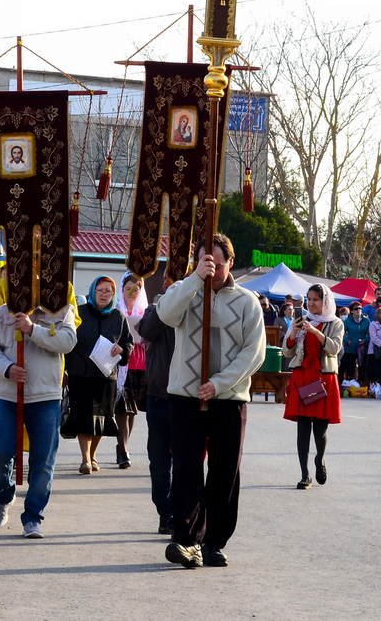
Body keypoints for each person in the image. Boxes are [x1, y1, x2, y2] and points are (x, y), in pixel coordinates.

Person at [159, 233, 264, 569]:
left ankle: (214, 541)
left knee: (224, 471)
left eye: (219, 265)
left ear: (230, 263)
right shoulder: (186, 291)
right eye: (207, 264)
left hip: (228, 398)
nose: (214, 271)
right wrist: (194, 278)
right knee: (187, 467)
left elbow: (254, 352)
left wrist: (219, 384)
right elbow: (165, 314)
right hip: (185, 395)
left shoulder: (247, 302)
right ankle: (186, 540)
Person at [0, 287, 77, 539]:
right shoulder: (0, 313)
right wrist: (8, 368)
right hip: (7, 395)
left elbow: (67, 342)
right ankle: (3, 496)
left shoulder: (60, 310)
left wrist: (33, 329)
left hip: (45, 396)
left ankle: (33, 516)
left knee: (43, 460)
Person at [61, 276, 133, 473]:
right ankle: (85, 459)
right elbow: (67, 340)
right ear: (93, 292)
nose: (103, 294)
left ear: (113, 295)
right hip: (80, 374)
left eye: (108, 291)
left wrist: (122, 349)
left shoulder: (118, 317)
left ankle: (92, 455)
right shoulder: (79, 313)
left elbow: (128, 342)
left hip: (106, 375)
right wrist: (64, 370)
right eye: (100, 290)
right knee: (83, 416)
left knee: (101, 418)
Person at [282, 284, 343, 490]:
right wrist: (294, 332)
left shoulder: (335, 323)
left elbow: (334, 348)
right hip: (302, 376)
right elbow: (287, 351)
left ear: (325, 301)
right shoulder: (300, 320)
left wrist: (315, 332)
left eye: (316, 299)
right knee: (302, 428)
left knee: (320, 429)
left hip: (323, 377)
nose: (311, 303)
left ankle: (319, 459)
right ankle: (305, 474)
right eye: (309, 299)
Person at [137, 282, 176, 535]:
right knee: (159, 461)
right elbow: (146, 330)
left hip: (189, 395)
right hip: (159, 395)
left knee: (186, 459)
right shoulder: (157, 307)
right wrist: (165, 302)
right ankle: (164, 510)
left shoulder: (197, 304)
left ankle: (180, 512)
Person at [115, 272, 148, 469]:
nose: (131, 293)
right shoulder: (116, 310)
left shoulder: (146, 310)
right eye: (128, 289)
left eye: (136, 289)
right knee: (122, 408)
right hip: (122, 363)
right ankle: (123, 448)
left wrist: (144, 337)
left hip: (141, 363)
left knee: (132, 409)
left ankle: (123, 446)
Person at [341, 301, 369, 383]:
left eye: (360, 308)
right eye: (356, 309)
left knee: (363, 368)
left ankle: (362, 385)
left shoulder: (366, 320)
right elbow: (340, 333)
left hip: (363, 349)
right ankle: (349, 385)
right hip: (351, 349)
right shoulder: (347, 321)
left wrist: (366, 340)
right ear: (352, 311)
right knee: (350, 368)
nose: (358, 310)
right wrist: (347, 341)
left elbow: (372, 333)